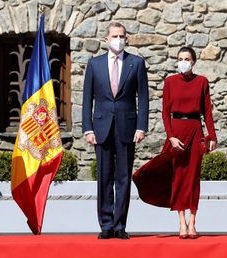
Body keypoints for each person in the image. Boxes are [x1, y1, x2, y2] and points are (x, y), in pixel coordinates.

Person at [133, 46, 217, 239]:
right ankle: (181, 222)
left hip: (195, 130)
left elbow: (208, 112)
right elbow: (165, 112)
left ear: (194, 61)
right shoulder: (170, 82)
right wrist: (170, 136)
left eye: (187, 58)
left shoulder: (202, 82)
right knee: (178, 176)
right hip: (176, 133)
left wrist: (212, 137)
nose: (183, 62)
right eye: (180, 58)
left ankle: (193, 222)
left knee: (193, 177)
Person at [82, 22, 149, 239]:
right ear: (106, 39)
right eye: (114, 36)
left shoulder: (136, 63)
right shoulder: (95, 64)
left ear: (126, 38)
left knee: (122, 178)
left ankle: (120, 225)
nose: (118, 39)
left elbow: (144, 98)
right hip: (101, 127)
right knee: (104, 177)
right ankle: (106, 225)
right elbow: (86, 99)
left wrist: (141, 126)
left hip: (127, 127)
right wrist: (87, 129)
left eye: (121, 36)